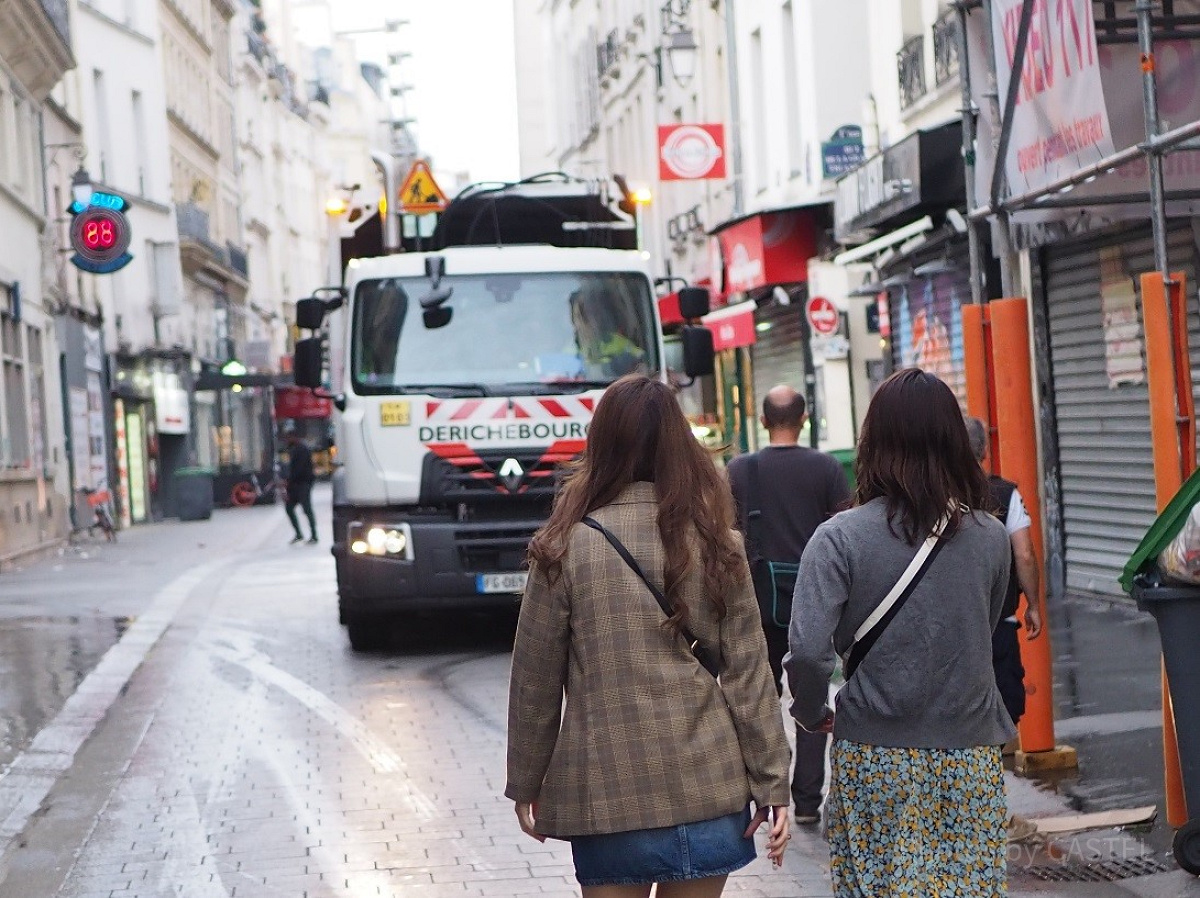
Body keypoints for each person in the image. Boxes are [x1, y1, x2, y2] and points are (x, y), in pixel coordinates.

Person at [507, 374, 792, 897]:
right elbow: (751, 676)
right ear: (681, 445)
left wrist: (526, 781)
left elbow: (535, 684)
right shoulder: (719, 545)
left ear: (601, 446)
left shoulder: (563, 548)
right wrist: (774, 786)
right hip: (709, 783)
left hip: (606, 793)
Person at [785, 368, 1016, 897]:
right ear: (956, 442)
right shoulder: (991, 536)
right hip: (970, 755)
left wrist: (812, 711)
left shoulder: (838, 538)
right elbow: (981, 627)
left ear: (874, 442)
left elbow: (807, 653)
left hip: (876, 752)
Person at [726, 385, 850, 825]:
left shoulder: (741, 469)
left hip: (756, 603)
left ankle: (764, 789)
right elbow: (844, 530)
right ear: (804, 419)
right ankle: (808, 800)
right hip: (816, 602)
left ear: (762, 421)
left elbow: (723, 533)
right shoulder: (827, 468)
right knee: (810, 692)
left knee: (759, 697)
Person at [965, 416, 1044, 725]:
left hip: (952, 628)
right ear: (984, 451)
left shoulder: (935, 496)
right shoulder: (1005, 494)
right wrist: (1034, 605)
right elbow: (1024, 554)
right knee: (1003, 710)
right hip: (999, 623)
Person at [284, 426, 318, 545]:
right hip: (296, 484)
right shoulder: (295, 448)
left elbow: (298, 469)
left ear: (293, 437)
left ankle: (314, 534)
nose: (287, 440)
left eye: (288, 438)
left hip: (303, 483)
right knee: (290, 508)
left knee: (307, 509)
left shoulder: (302, 449)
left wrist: (289, 480)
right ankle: (299, 533)